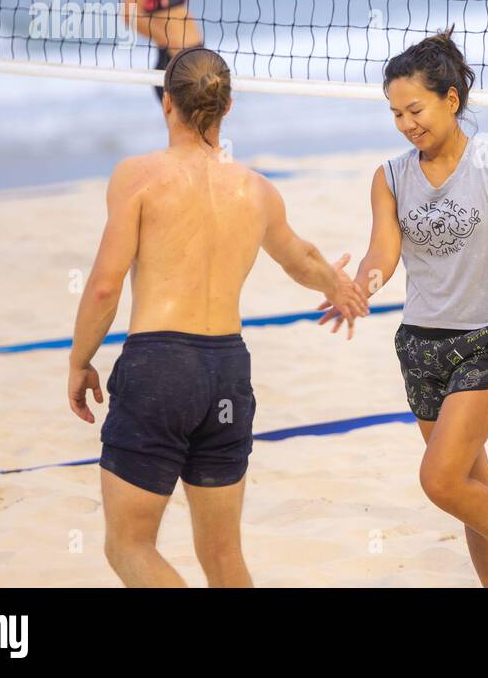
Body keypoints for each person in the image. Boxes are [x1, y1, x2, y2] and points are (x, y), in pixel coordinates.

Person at [67, 47, 369, 586]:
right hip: (227, 373)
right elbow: (300, 257)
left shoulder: (136, 177)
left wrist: (79, 360)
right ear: (228, 106)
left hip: (159, 365)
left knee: (130, 545)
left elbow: (104, 287)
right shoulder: (255, 189)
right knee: (224, 556)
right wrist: (340, 287)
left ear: (166, 103)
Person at [318, 26, 488, 587]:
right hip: (420, 345)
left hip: (487, 337)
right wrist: (357, 287)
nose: (407, 124)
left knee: (441, 480)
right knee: (473, 487)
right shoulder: (390, 176)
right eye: (396, 113)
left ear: (451, 99)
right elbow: (384, 251)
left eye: (415, 109)